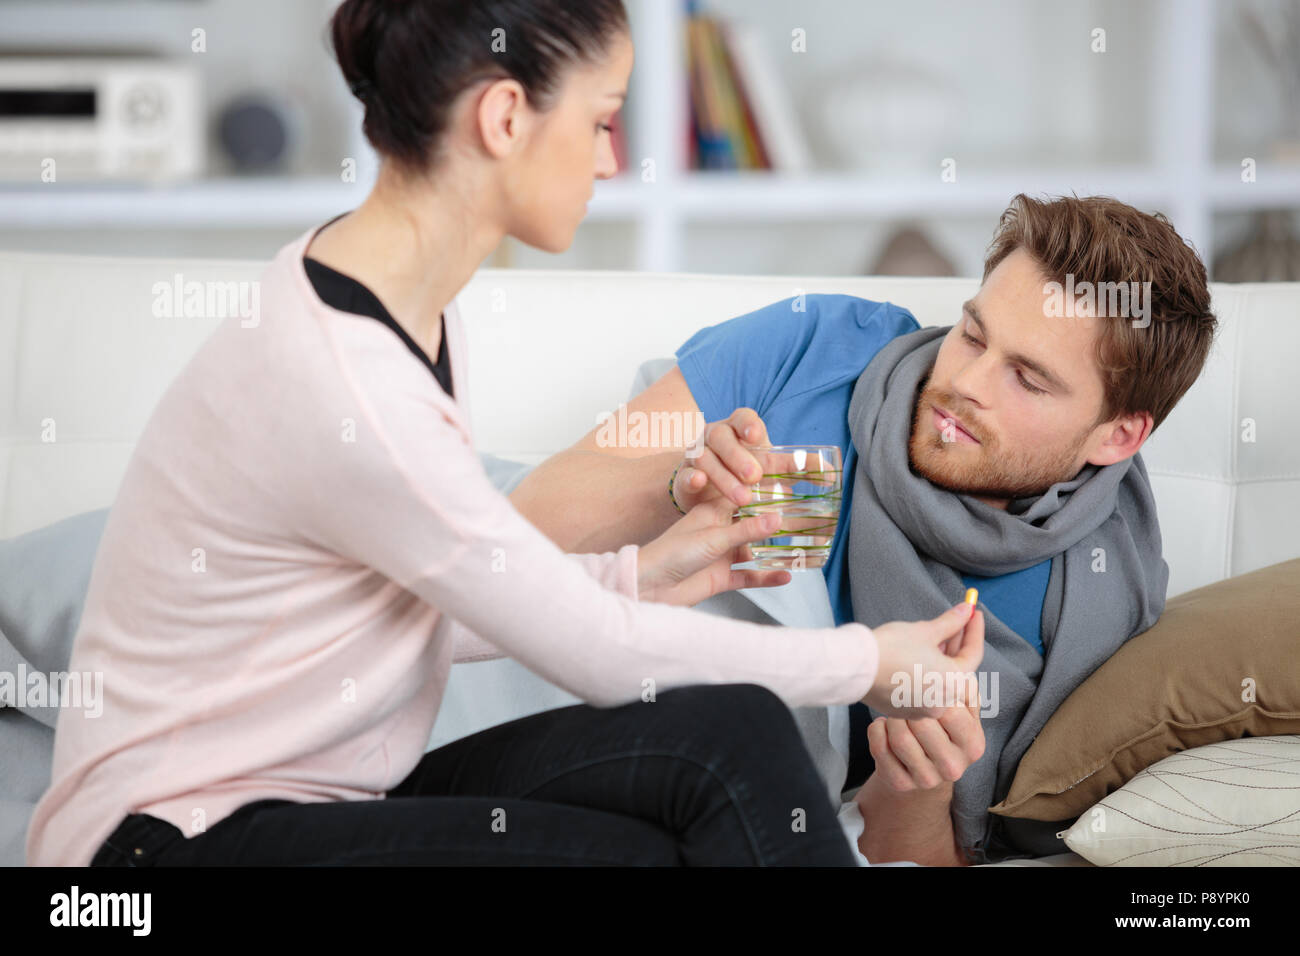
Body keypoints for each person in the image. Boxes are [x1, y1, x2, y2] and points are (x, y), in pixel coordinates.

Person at [24, 0, 984, 869]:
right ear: (505, 118)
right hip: (162, 850)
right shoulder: (345, 381)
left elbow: (438, 597)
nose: (613, 162)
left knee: (735, 739)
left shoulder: (404, 306)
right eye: (602, 122)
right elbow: (599, 655)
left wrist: (643, 575)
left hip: (313, 794)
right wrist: (871, 661)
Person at [513, 194, 1217, 864]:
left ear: (1118, 437)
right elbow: (523, 525)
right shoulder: (815, 348)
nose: (969, 381)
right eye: (973, 333)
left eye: (1028, 380)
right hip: (496, 651)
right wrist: (679, 482)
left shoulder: (1087, 609)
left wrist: (916, 782)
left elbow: (908, 854)